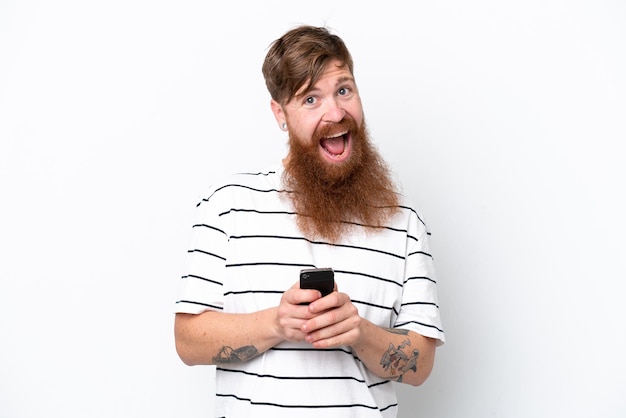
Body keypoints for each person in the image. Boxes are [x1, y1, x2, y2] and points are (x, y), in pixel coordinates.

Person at [174, 25, 445, 417]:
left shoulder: (403, 222)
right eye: (311, 99)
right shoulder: (227, 207)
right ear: (279, 113)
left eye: (343, 90)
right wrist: (277, 324)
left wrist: (359, 333)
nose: (335, 112)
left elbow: (420, 366)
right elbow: (187, 341)